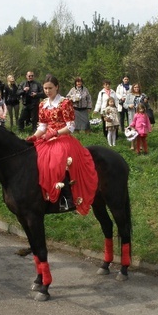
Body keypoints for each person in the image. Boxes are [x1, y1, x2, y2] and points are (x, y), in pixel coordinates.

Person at [26, 76, 98, 215]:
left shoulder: (65, 103)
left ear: (57, 87)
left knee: (55, 163)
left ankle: (67, 197)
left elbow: (70, 127)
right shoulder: (42, 104)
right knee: (33, 159)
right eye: (45, 88)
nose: (47, 91)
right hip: (47, 138)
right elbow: (42, 126)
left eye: (50, 88)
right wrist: (35, 136)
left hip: (63, 137)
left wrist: (54, 134)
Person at [125, 83, 149, 149]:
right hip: (132, 113)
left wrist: (146, 102)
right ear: (132, 88)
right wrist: (128, 106)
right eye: (135, 87)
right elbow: (124, 104)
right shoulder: (129, 95)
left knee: (140, 130)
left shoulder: (143, 95)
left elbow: (146, 105)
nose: (136, 88)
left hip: (141, 115)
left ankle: (140, 145)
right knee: (132, 129)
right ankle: (132, 145)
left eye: (137, 87)